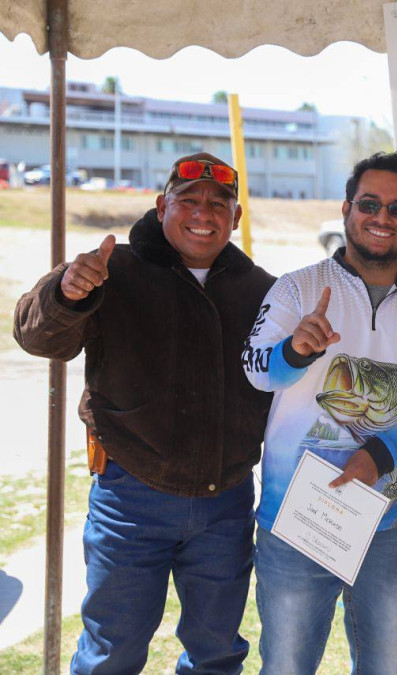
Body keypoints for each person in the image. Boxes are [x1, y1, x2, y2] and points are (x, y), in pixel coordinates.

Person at [14, 153, 275, 674]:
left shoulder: (261, 289)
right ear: (162, 207)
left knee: (218, 656)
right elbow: (36, 336)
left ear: (236, 218)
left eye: (218, 203)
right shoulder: (111, 270)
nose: (204, 212)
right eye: (189, 200)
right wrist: (64, 292)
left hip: (226, 503)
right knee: (112, 654)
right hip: (130, 498)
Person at [242, 150, 397, 674]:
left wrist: (381, 453)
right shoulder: (297, 289)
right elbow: (256, 369)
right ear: (347, 209)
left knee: (383, 667)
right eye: (369, 204)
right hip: (298, 522)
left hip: (395, 523)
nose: (381, 218)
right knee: (286, 667)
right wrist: (295, 352)